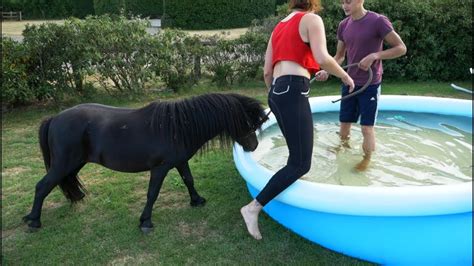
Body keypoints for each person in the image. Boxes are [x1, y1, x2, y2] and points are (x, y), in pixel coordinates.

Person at [240, 0, 354, 240]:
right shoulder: (312, 19)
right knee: (301, 163)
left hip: (278, 92)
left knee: (297, 155)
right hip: (293, 91)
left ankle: (289, 191)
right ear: (313, 3)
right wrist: (344, 76)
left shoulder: (279, 27)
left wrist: (276, 94)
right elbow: (323, 57)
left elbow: (267, 72)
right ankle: (253, 208)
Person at [321, 0, 407, 171]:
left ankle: (366, 160)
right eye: (342, 2)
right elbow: (339, 57)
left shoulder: (378, 21)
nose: (344, 5)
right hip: (349, 82)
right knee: (344, 125)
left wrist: (375, 55)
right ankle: (343, 151)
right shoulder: (343, 25)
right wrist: (327, 71)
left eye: (348, 1)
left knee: (367, 129)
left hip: (370, 84)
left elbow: (401, 48)